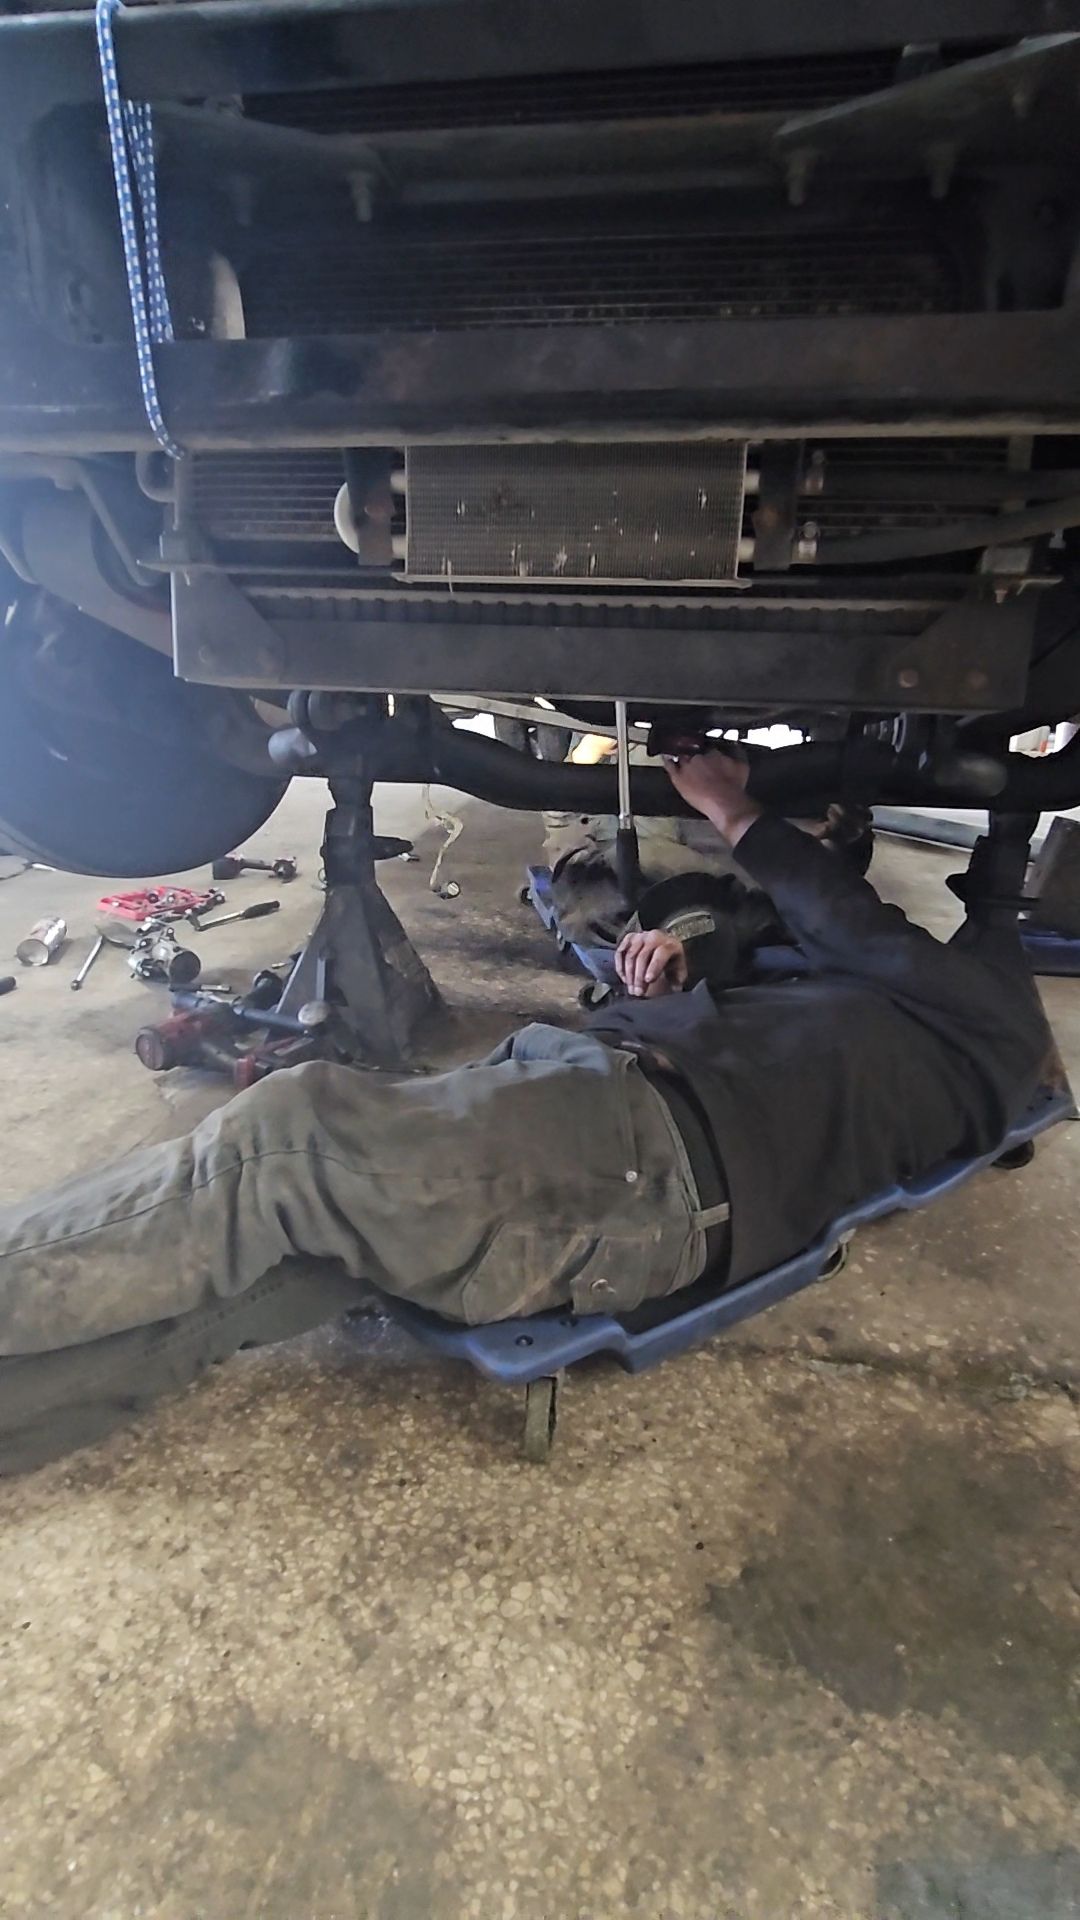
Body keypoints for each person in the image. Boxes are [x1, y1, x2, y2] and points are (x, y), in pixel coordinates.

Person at [0, 754, 1051, 1473]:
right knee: (290, 1266)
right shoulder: (916, 1046)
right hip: (637, 1174)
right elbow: (797, 947)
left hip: (635, 1161)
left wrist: (736, 808)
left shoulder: (986, 1016)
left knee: (283, 1144)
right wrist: (686, 969)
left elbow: (844, 916)